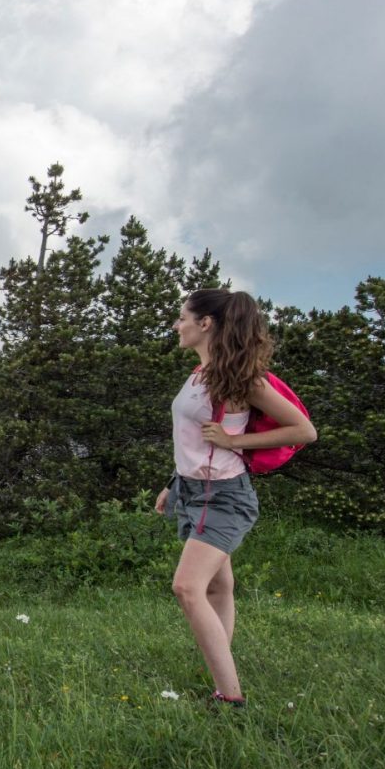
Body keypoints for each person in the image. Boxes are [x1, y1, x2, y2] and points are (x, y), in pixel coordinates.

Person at [154, 289, 316, 708]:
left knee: (187, 587)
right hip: (192, 490)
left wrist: (235, 440)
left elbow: (303, 430)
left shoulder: (243, 379)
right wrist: (174, 483)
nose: (177, 325)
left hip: (223, 495)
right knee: (219, 586)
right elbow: (190, 439)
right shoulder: (198, 375)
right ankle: (219, 666)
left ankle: (230, 699)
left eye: (182, 318)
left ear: (205, 323)